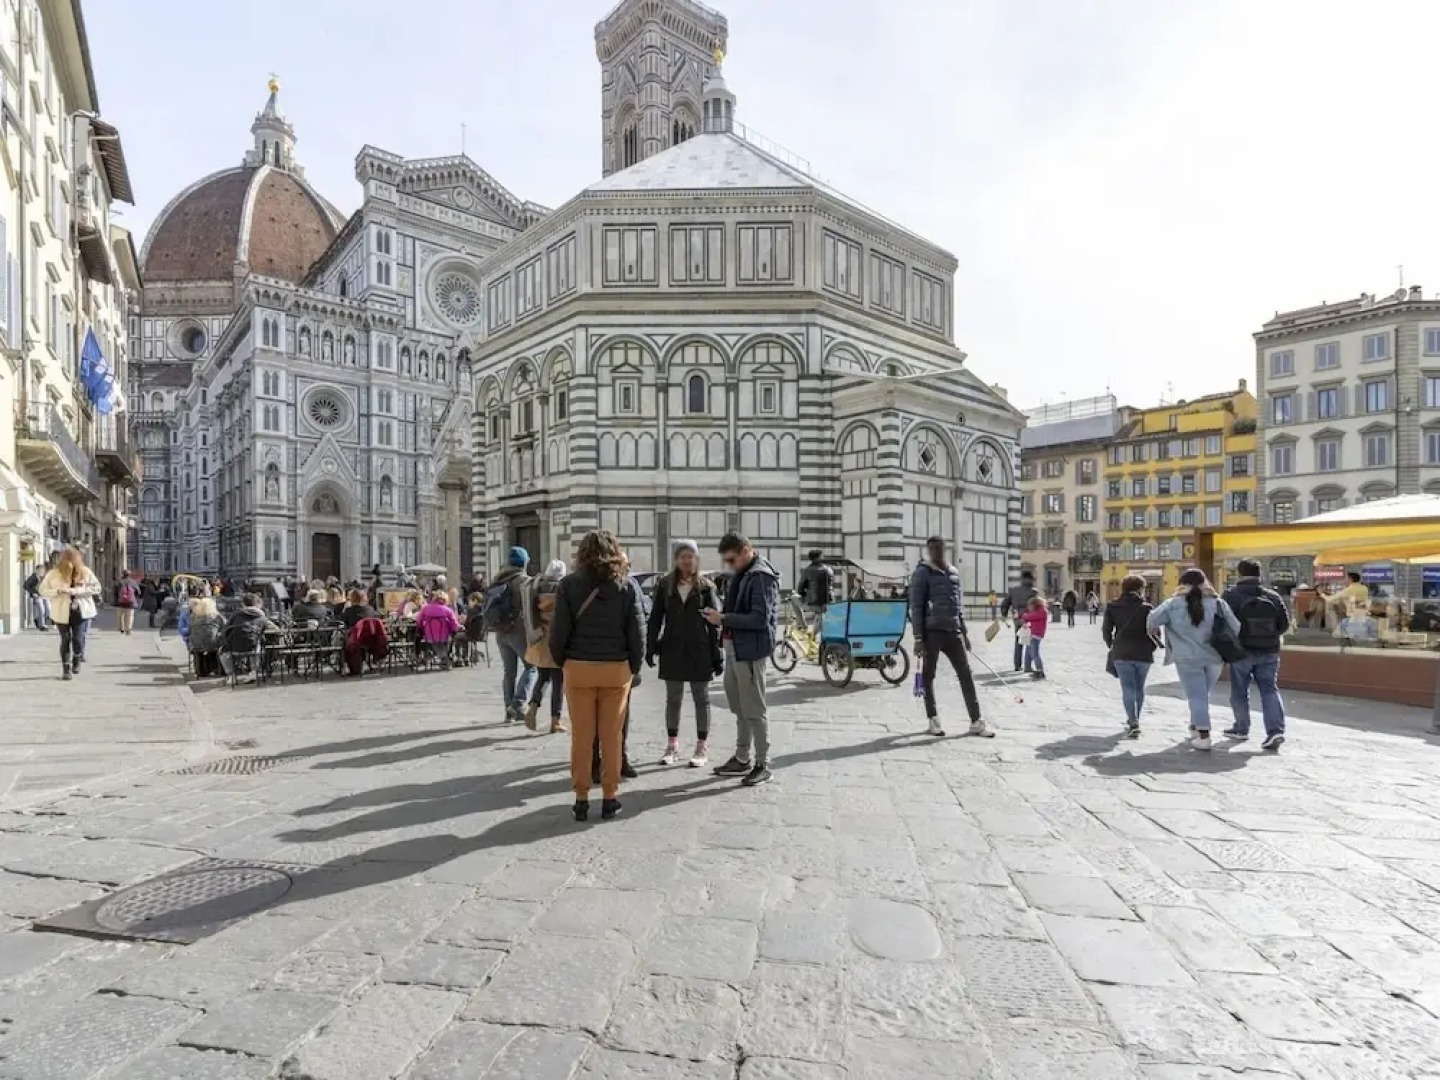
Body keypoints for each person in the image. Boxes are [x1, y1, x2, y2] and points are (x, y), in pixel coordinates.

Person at [550, 530, 645, 822]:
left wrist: (564, 661)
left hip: (578, 668)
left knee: (581, 736)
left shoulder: (568, 585)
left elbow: (557, 633)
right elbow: (638, 634)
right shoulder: (626, 587)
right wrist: (634, 666)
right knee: (612, 736)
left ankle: (581, 798)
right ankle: (609, 797)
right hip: (616, 669)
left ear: (582, 554)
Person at [707, 532, 780, 785]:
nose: (729, 564)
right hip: (734, 648)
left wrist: (724, 619)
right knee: (739, 707)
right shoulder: (743, 573)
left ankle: (763, 763)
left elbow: (760, 619)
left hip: (750, 651)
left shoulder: (761, 577)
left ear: (747, 550)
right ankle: (742, 758)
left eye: (732, 559)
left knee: (755, 710)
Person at [1146, 568, 1241, 751]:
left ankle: (1204, 736)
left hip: (1186, 657)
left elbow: (1151, 620)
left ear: (1182, 583)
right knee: (1202, 694)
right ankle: (1194, 727)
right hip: (1215, 657)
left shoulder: (1172, 604)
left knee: (1196, 695)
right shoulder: (1218, 603)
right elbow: (1236, 627)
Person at [646, 539, 722, 768]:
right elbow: (655, 618)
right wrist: (650, 646)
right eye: (683, 556)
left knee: (702, 698)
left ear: (696, 559)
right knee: (673, 699)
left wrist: (717, 654)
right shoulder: (664, 585)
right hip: (673, 648)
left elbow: (715, 623)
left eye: (691, 556)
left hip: (699, 649)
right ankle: (672, 745)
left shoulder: (707, 587)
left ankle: (701, 747)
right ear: (676, 559)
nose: (687, 560)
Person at [909, 535, 991, 738]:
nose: (936, 551)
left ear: (945, 548)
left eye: (939, 547)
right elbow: (916, 606)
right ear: (928, 550)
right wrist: (918, 638)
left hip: (953, 632)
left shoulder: (953, 572)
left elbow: (958, 605)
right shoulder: (922, 573)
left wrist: (964, 632)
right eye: (932, 548)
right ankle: (933, 719)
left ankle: (976, 721)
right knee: (929, 676)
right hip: (931, 632)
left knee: (966, 675)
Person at [1222, 559, 1290, 751]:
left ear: (1239, 573)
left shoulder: (1231, 595)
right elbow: (1284, 625)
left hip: (1241, 650)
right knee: (1270, 689)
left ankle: (1241, 728)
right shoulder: (1273, 596)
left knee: (1239, 690)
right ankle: (1275, 731)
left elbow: (1222, 623)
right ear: (1260, 574)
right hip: (1269, 650)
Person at [487, 546, 537, 724]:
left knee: (509, 672)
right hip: (518, 631)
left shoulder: (496, 580)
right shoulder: (523, 581)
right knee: (531, 667)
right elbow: (531, 607)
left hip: (500, 632)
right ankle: (518, 703)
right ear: (524, 562)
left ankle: (508, 711)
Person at [1103, 575, 1157, 737]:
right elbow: (1155, 631)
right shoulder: (1147, 608)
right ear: (1141, 588)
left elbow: (1106, 630)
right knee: (1139, 688)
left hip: (1122, 651)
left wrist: (1112, 644)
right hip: (1143, 652)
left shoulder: (1113, 606)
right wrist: (1151, 647)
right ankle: (1136, 720)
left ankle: (1132, 720)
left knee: (1127, 687)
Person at [39, 548, 101, 679]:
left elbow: (96, 588)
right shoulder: (54, 574)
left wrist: (79, 590)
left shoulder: (85, 572)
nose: (69, 565)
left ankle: (77, 658)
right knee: (65, 639)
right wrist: (57, 591)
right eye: (66, 561)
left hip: (80, 610)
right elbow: (43, 590)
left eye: (72, 561)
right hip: (61, 611)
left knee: (78, 639)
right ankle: (66, 669)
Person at [523, 560, 568, 733]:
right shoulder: (562, 591)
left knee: (543, 677)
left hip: (541, 639)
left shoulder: (536, 588)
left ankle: (533, 708)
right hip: (557, 641)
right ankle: (555, 720)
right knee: (558, 681)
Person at [221, 593, 279, 679]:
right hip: (253, 647)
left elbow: (225, 630)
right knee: (257, 644)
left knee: (222, 651)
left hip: (234, 647)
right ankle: (254, 671)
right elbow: (276, 630)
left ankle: (231, 675)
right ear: (257, 604)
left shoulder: (235, 615)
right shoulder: (261, 616)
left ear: (243, 604)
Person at [1000, 570, 1040, 672]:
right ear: (1031, 579)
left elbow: (1005, 603)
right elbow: (1037, 606)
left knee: (1019, 642)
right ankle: (1027, 665)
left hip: (1017, 618)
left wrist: (1004, 614)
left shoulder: (1014, 590)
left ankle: (1017, 665)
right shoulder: (1034, 591)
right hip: (1028, 619)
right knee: (1028, 642)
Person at [416, 589, 462, 667]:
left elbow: (419, 621)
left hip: (429, 637)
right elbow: (455, 625)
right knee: (453, 636)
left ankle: (427, 655)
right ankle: (446, 656)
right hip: (444, 636)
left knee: (420, 636)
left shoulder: (425, 609)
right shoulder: (448, 610)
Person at [187, 596, 225, 678]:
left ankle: (201, 670)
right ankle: (218, 668)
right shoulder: (217, 617)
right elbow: (225, 628)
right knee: (220, 640)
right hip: (213, 643)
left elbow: (190, 629)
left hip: (196, 644)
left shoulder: (192, 617)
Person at [797, 549, 833, 632]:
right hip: (828, 603)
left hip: (813, 603)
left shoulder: (807, 570)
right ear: (819, 557)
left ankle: (803, 624)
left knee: (793, 598)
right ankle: (814, 634)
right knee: (820, 614)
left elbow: (800, 589)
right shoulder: (829, 570)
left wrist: (804, 594)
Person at [1020, 594, 1049, 679]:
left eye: (1030, 606)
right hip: (1034, 633)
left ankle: (1040, 671)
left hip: (1036, 635)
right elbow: (1032, 619)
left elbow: (1030, 617)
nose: (1029, 608)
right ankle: (1028, 667)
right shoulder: (1039, 611)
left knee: (1034, 653)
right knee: (1029, 651)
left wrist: (1023, 616)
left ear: (1034, 605)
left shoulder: (1041, 611)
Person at [24, 566, 50, 630]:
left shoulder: (45, 577)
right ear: (37, 570)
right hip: (37, 596)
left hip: (45, 595)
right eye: (40, 570)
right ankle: (42, 626)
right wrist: (33, 592)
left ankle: (38, 620)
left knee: (48, 610)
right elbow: (25, 586)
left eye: (42, 570)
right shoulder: (33, 577)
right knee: (41, 609)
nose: (41, 572)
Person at [113, 571, 137, 635]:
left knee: (120, 616)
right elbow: (138, 592)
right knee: (130, 616)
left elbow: (116, 592)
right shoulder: (133, 582)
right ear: (130, 575)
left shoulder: (120, 582)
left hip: (121, 602)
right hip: (131, 602)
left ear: (123, 574)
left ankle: (121, 628)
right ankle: (128, 629)